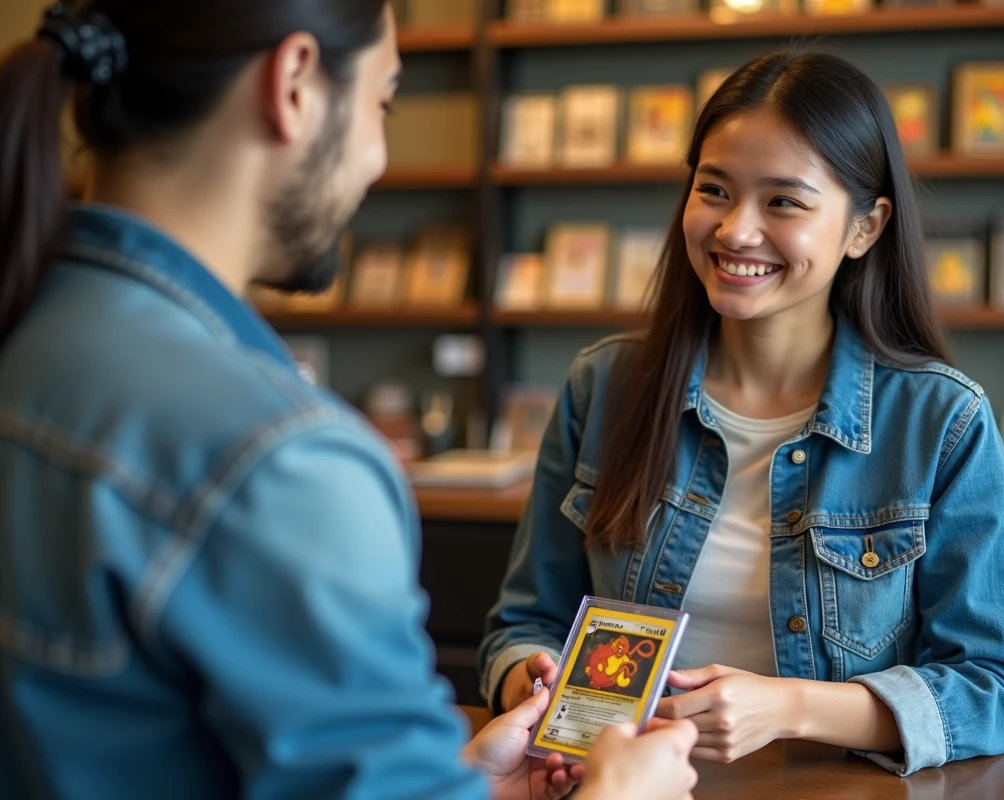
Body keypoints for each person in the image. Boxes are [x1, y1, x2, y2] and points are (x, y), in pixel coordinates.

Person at [0, 2, 699, 798]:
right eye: (383, 104)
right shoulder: (281, 457)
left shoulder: (32, 333)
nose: (377, 159)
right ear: (294, 84)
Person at [480, 51, 1004, 777]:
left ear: (865, 228)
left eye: (783, 202)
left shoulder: (942, 420)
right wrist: (537, 688)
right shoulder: (604, 385)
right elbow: (525, 623)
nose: (735, 231)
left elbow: (995, 689)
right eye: (714, 190)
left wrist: (789, 708)